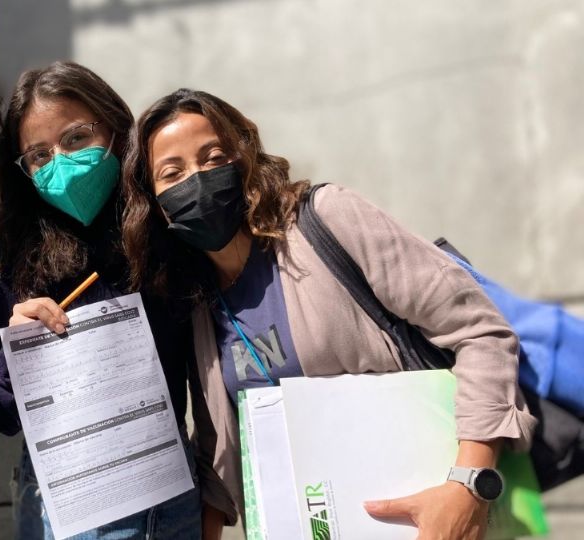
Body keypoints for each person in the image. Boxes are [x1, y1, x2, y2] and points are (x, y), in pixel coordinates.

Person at [120, 88, 537, 540]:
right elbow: (218, 458)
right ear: (156, 203)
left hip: (433, 518)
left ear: (243, 159)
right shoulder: (197, 302)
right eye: (172, 173)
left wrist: (468, 487)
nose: (196, 180)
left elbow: (481, 332)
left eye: (213, 156)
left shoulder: (325, 220)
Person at [0, 61, 201, 539]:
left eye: (76, 138)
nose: (60, 161)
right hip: (60, 499)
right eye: (38, 155)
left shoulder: (163, 229)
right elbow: (1, 416)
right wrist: (14, 356)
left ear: (116, 129)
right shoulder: (12, 254)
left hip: (163, 487)